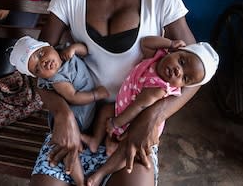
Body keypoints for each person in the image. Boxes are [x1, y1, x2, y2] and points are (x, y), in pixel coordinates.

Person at [30, 0, 199, 186]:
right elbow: (38, 66)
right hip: (79, 120)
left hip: (132, 125)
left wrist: (151, 116)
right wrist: (61, 114)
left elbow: (197, 75)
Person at [84, 37, 219, 186]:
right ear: (176, 51)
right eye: (181, 61)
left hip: (135, 122)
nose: (178, 71)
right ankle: (95, 142)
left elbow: (139, 106)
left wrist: (116, 123)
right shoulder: (156, 58)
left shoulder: (159, 88)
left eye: (185, 78)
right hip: (122, 108)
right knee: (105, 111)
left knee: (127, 148)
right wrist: (170, 43)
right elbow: (145, 43)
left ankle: (100, 174)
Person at [10, 36, 110, 185]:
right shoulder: (57, 79)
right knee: (68, 149)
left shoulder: (64, 51)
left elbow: (85, 50)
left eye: (40, 54)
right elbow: (73, 97)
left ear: (49, 46)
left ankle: (93, 139)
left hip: (89, 112)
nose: (43, 63)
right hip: (75, 119)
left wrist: (75, 48)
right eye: (37, 69)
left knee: (107, 111)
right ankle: (81, 181)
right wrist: (96, 94)